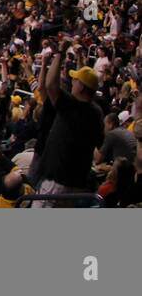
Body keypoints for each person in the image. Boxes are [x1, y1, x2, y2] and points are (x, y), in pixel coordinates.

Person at [34, 46, 105, 205]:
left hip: (57, 184)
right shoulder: (96, 111)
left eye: (75, 80)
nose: (72, 82)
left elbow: (50, 85)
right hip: (76, 182)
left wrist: (59, 53)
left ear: (81, 87)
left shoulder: (72, 106)